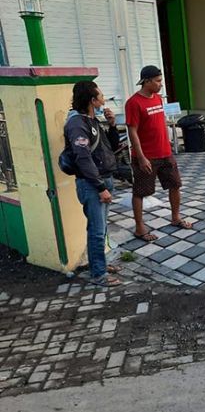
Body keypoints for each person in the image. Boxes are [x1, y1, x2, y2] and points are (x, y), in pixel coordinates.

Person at [64, 81, 122, 287]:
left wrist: (112, 124)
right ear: (92, 99)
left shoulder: (92, 120)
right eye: (101, 94)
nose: (104, 97)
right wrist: (100, 187)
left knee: (101, 228)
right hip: (92, 184)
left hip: (104, 179)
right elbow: (83, 158)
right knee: (97, 231)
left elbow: (112, 147)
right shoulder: (77, 123)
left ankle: (100, 264)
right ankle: (98, 275)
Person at [126, 65, 192, 242]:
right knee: (140, 192)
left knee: (175, 184)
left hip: (165, 152)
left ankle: (175, 217)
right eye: (157, 81)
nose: (160, 84)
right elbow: (132, 131)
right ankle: (140, 228)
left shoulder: (157, 98)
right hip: (146, 156)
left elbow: (159, 123)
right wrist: (140, 157)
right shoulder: (133, 103)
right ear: (146, 81)